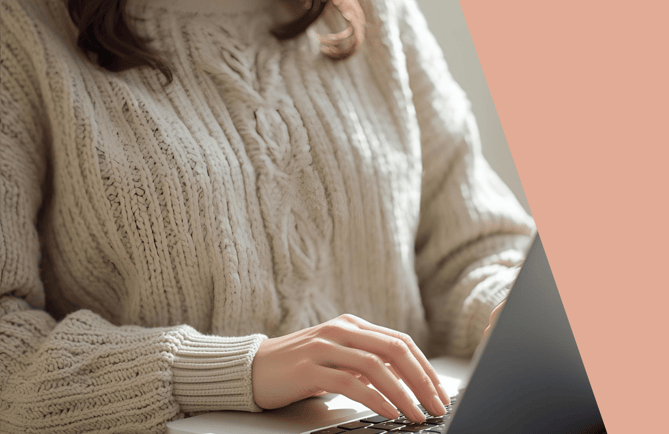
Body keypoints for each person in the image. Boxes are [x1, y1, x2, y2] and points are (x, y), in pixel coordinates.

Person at [0, 0, 535, 431]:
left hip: (406, 422)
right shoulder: (19, 28)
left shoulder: (372, 11)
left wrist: (506, 312)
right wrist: (240, 371)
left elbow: (472, 246)